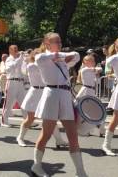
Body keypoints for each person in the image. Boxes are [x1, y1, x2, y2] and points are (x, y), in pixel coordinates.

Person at [31, 32, 88, 177]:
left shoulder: (62, 59)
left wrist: (61, 56)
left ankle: (80, 172)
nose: (60, 44)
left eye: (60, 41)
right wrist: (58, 56)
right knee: (46, 134)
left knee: (73, 135)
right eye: (56, 42)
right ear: (47, 43)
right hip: (51, 94)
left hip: (64, 95)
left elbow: (76, 55)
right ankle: (36, 166)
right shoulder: (41, 58)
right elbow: (41, 57)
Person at [17, 48, 68, 148]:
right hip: (34, 93)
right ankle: (20, 137)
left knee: (50, 118)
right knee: (30, 118)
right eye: (38, 55)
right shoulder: (31, 65)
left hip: (44, 92)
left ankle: (59, 140)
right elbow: (35, 67)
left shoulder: (45, 65)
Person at [1, 45, 27, 127]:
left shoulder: (20, 59)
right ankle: (4, 122)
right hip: (11, 82)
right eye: (14, 49)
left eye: (17, 49)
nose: (16, 50)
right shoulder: (9, 59)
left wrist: (26, 59)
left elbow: (24, 70)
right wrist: (21, 57)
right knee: (8, 103)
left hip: (20, 83)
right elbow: (14, 65)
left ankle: (27, 121)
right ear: (10, 50)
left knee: (24, 103)